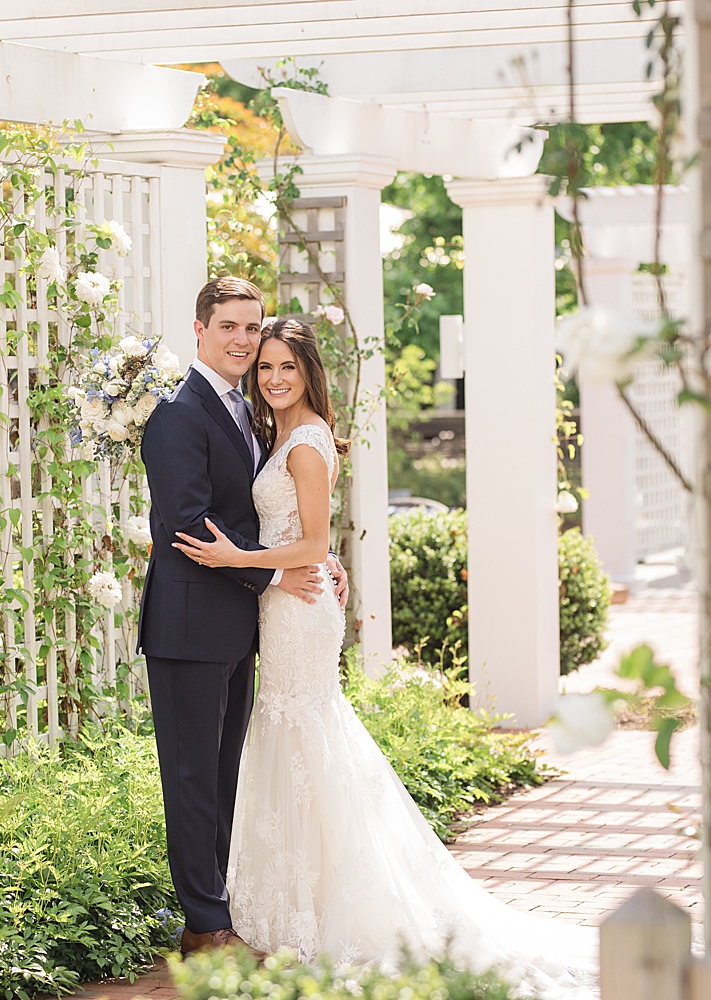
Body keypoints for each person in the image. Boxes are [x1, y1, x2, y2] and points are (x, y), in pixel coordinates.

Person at [173, 317, 596, 998]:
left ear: (311, 371)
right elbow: (304, 536)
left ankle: (331, 909)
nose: (275, 378)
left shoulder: (306, 444)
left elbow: (309, 544)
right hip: (284, 604)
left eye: (288, 367)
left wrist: (241, 559)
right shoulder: (277, 434)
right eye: (267, 368)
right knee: (294, 740)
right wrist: (287, 560)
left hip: (297, 608)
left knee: (305, 734)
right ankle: (293, 905)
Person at [138, 277, 348, 957]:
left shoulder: (249, 416)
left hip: (241, 626)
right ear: (199, 329)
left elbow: (271, 512)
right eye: (229, 325)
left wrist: (316, 557)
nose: (242, 339)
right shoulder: (178, 413)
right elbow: (191, 526)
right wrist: (279, 571)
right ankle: (205, 926)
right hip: (190, 629)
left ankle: (221, 908)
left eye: (251, 327)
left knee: (227, 775)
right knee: (195, 779)